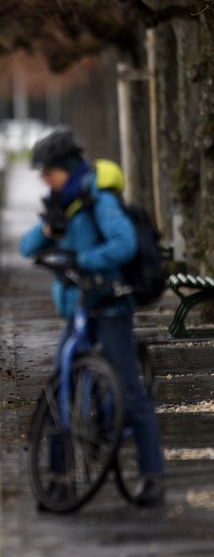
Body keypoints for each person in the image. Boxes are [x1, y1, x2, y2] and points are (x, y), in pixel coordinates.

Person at [20, 127, 166, 508]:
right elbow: (27, 246)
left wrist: (82, 261)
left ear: (66, 168)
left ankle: (152, 476)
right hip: (78, 307)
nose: (43, 179)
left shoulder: (98, 199)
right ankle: (60, 478)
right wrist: (49, 229)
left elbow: (124, 243)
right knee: (60, 389)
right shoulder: (64, 203)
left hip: (111, 306)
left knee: (129, 390)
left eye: (47, 171)